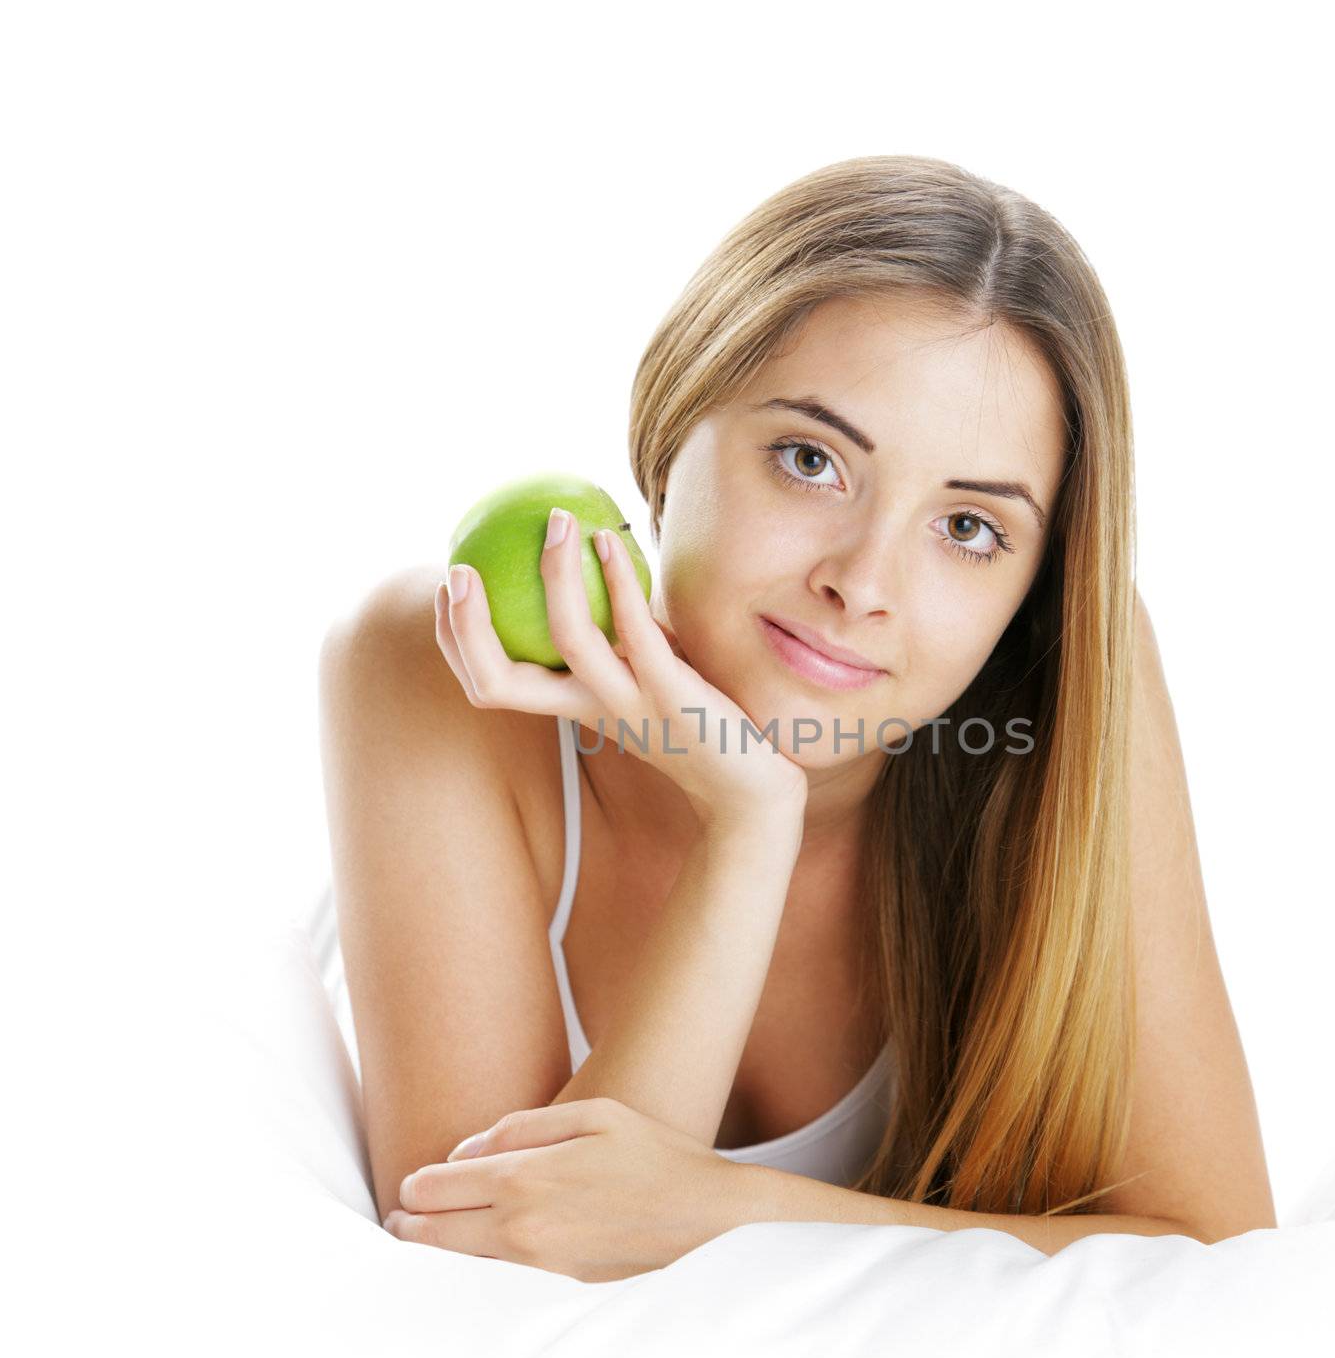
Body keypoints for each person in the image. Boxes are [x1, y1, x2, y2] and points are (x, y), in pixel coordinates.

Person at [318, 154, 1276, 1282]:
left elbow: (1221, 1262)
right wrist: (749, 818)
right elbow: (485, 1274)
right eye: (811, 459)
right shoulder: (442, 663)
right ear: (671, 437)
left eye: (969, 528)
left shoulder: (1075, 689)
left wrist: (729, 1210)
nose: (864, 582)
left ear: (1029, 591)